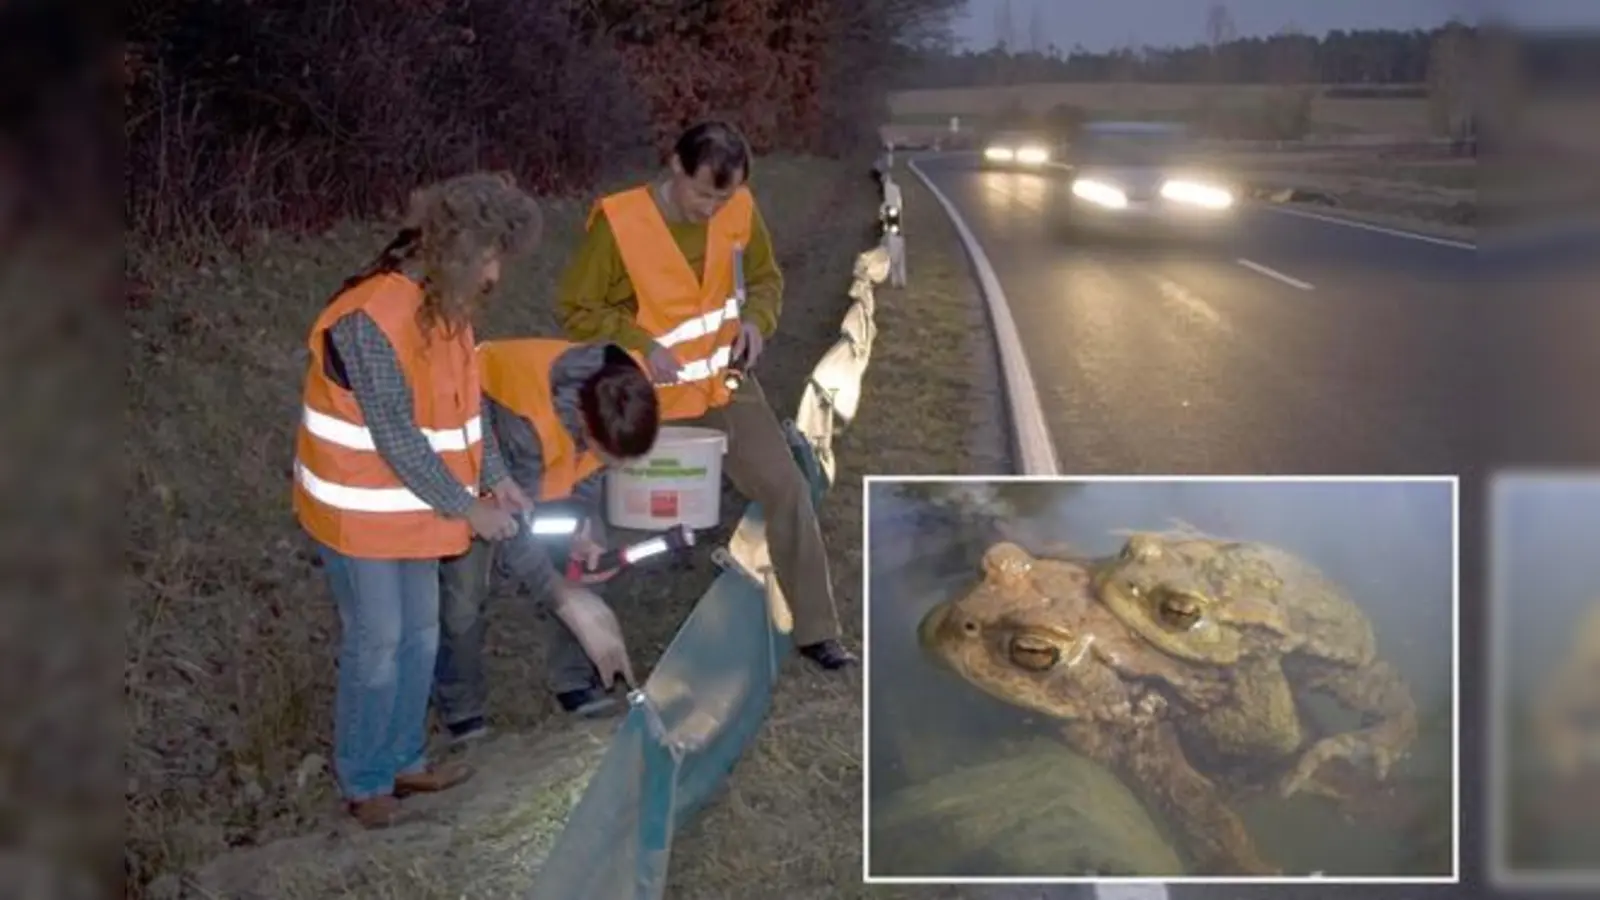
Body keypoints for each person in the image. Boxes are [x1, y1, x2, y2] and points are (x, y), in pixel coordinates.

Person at [555, 120, 856, 671]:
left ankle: (817, 631)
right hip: (650, 398)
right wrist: (640, 345)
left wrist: (758, 323)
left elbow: (766, 279)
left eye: (723, 196)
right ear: (675, 165)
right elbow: (578, 310)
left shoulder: (739, 207)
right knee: (617, 523)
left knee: (787, 488)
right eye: (702, 194)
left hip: (727, 385)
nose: (711, 208)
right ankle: (580, 664)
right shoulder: (619, 222)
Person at [291, 172, 541, 828]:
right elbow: (399, 440)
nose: (496, 274)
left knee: (421, 637)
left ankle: (404, 759)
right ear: (458, 250)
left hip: (416, 512)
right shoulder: (370, 319)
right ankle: (365, 781)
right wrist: (470, 510)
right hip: (357, 515)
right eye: (490, 257)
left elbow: (467, 407)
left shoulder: (449, 309)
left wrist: (493, 476)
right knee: (378, 643)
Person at [433, 338, 660, 743]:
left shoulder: (627, 392)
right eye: (609, 456)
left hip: (546, 474)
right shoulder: (525, 416)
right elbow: (514, 523)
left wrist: (582, 527)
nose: (615, 467)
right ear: (584, 424)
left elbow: (593, 471)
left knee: (591, 564)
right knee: (464, 596)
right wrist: (564, 597)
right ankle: (462, 710)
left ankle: (574, 680)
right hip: (475, 476)